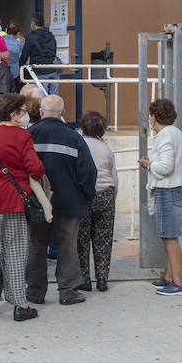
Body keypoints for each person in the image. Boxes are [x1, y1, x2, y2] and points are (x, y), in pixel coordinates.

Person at [0, 93, 45, 321]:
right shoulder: (22, 136)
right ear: (13, 114)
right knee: (14, 252)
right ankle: (20, 304)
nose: (25, 115)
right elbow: (36, 169)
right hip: (12, 201)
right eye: (22, 111)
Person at [25, 94, 96, 306]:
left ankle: (35, 292)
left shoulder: (30, 135)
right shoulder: (74, 137)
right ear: (63, 113)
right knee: (67, 247)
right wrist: (85, 197)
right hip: (68, 203)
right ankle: (68, 292)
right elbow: (88, 171)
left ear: (40, 112)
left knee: (37, 246)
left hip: (37, 203)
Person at [140, 98, 182, 297]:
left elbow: (165, 167)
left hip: (170, 190)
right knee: (171, 235)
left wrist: (148, 164)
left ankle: (179, 283)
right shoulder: (176, 133)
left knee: (169, 237)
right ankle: (170, 278)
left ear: (154, 117)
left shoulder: (164, 136)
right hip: (180, 188)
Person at [76, 111, 119, 292]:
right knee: (104, 239)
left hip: (84, 195)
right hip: (106, 194)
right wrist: (112, 196)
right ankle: (102, 278)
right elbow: (114, 176)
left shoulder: (79, 145)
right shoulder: (106, 149)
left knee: (82, 240)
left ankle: (84, 279)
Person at [19, 13, 59, 95]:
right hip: (53, 69)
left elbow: (25, 54)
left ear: (33, 23)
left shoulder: (31, 37)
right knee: (54, 98)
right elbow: (54, 51)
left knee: (42, 97)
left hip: (40, 71)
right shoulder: (50, 35)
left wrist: (21, 66)